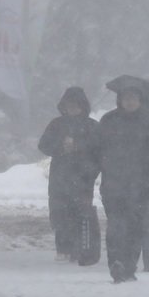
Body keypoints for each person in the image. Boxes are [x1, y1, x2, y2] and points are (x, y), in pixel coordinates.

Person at [96, 85, 149, 283]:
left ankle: (129, 266)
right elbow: (95, 152)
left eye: (133, 98)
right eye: (126, 98)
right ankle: (116, 263)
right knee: (115, 227)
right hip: (114, 184)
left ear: (140, 100)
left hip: (143, 185)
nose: (130, 102)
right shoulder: (109, 120)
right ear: (120, 100)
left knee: (135, 228)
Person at [38, 87, 100, 261]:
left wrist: (79, 148)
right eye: (69, 105)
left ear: (83, 106)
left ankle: (81, 248)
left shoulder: (92, 126)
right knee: (59, 213)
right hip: (60, 177)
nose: (72, 108)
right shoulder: (56, 124)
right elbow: (43, 145)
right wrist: (60, 148)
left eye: (76, 105)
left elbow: (99, 150)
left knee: (81, 213)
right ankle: (63, 248)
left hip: (83, 177)